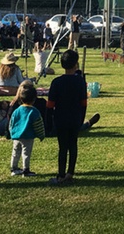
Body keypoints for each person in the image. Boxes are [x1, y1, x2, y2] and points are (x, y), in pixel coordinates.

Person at [47, 49, 88, 185]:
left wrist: (49, 120)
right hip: (75, 117)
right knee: (73, 145)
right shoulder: (80, 82)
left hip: (60, 118)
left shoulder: (56, 82)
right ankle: (70, 172)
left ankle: (60, 174)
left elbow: (50, 104)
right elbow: (84, 103)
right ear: (76, 64)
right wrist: (81, 119)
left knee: (62, 147)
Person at [8, 83, 46, 177]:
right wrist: (41, 135)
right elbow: (38, 125)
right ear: (34, 99)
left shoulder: (16, 110)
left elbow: (11, 123)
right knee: (26, 153)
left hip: (16, 136)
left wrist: (11, 132)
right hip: (28, 136)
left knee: (15, 152)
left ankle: (14, 168)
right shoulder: (34, 111)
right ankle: (26, 170)